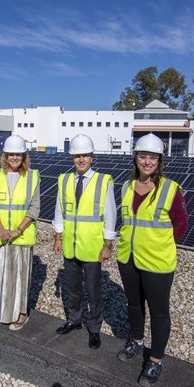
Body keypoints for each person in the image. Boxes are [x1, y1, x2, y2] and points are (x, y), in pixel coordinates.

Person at [116, 133, 188, 387]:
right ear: (135, 158)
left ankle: (156, 359)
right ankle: (136, 340)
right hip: (128, 256)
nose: (147, 162)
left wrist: (161, 245)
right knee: (134, 304)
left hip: (157, 261)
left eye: (152, 157)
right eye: (142, 156)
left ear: (159, 161)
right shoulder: (126, 186)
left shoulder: (170, 188)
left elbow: (181, 224)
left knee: (159, 312)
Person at [53, 134, 116, 349]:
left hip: (92, 246)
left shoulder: (102, 181)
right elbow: (60, 210)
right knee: (72, 287)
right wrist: (57, 236)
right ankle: (74, 319)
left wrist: (107, 245)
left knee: (93, 289)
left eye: (85, 155)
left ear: (92, 157)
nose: (81, 159)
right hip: (70, 244)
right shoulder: (65, 179)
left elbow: (110, 215)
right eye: (77, 155)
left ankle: (95, 327)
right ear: (72, 157)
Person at [0, 135, 40, 331]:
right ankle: (4, 307)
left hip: (22, 236)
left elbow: (35, 208)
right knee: (3, 273)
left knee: (21, 277)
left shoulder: (32, 176)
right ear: (5, 156)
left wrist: (18, 230)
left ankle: (21, 313)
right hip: (3, 235)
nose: (15, 158)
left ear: (24, 156)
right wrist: (0, 229)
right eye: (11, 154)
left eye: (19, 154)